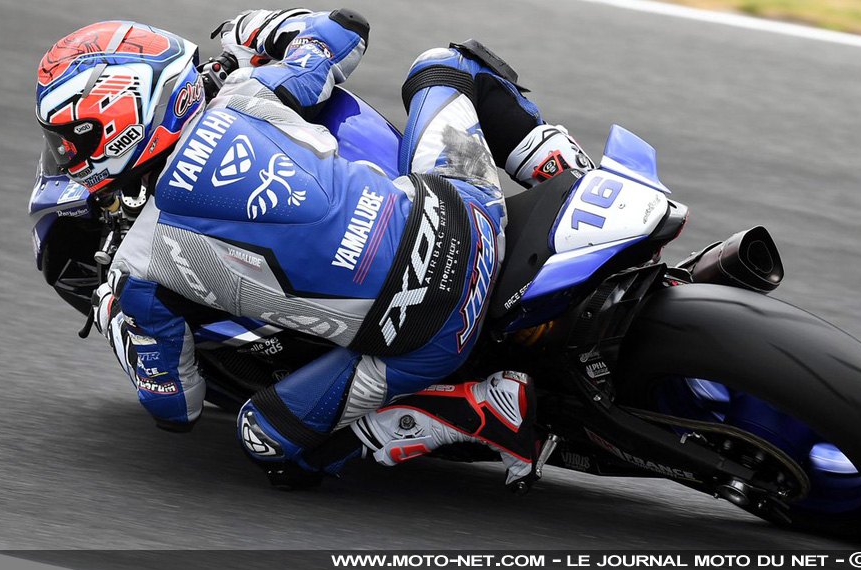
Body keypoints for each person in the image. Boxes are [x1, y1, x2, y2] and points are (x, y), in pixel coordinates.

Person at [35, 10, 594, 490]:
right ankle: (568, 177)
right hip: (468, 218)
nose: (64, 154)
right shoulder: (248, 94)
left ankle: (462, 408)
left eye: (69, 140)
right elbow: (341, 31)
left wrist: (114, 314)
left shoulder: (138, 263)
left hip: (426, 340)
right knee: (445, 66)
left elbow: (175, 407)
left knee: (265, 439)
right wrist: (266, 25)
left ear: (119, 124)